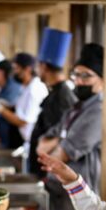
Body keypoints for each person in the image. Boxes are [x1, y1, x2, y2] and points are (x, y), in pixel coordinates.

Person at [36, 43, 104, 210]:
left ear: (102, 79)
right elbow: (41, 145)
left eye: (87, 76)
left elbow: (58, 157)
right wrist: (61, 141)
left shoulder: (99, 110)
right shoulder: (77, 107)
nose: (79, 80)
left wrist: (60, 143)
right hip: (59, 202)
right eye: (76, 74)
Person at [27, 28, 76, 177]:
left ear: (44, 67)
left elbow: (59, 134)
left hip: (48, 172)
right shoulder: (56, 92)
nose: (37, 70)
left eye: (38, 66)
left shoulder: (61, 97)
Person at [0, 52, 47, 163]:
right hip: (24, 140)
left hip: (32, 142)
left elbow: (22, 121)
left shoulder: (34, 90)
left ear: (27, 69)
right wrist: (6, 105)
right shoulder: (26, 87)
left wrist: (0, 109)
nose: (14, 73)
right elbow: (20, 109)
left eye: (16, 69)